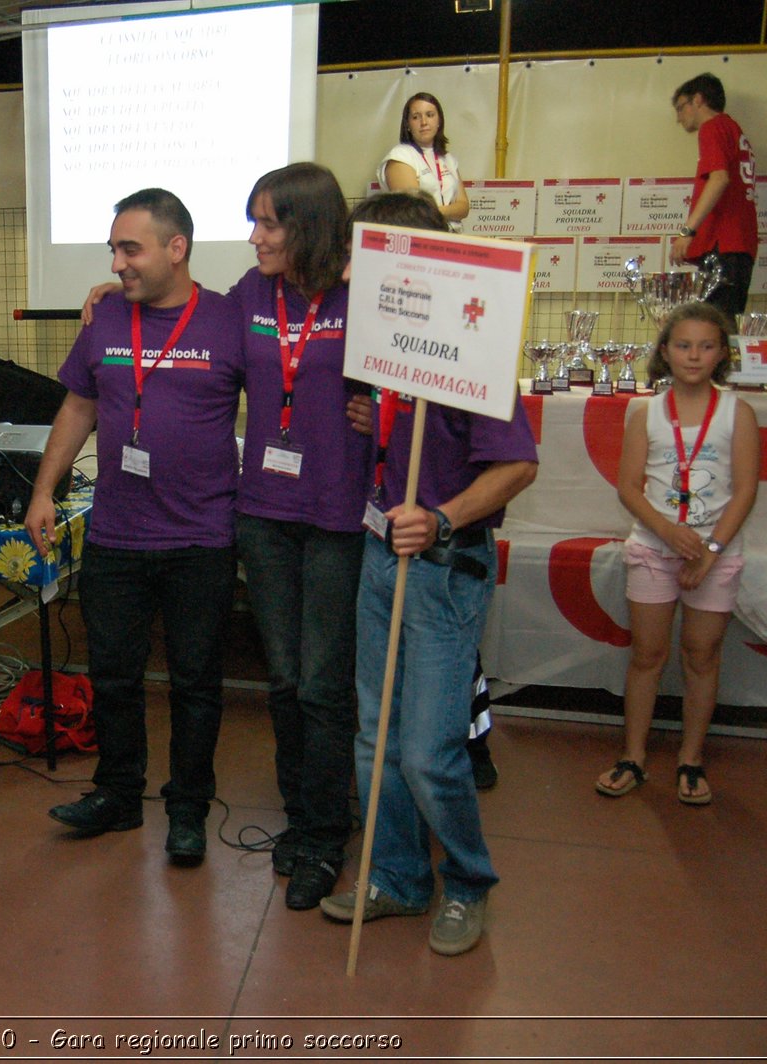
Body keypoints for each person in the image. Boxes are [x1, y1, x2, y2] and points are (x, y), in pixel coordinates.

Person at [319, 192, 537, 957]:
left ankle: (469, 883)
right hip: (381, 556)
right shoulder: (386, 347)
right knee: (372, 737)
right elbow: (410, 434)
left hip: (445, 570)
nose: (349, 268)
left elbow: (516, 465)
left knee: (427, 751)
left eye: (362, 253)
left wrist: (442, 516)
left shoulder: (470, 348)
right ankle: (401, 880)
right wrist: (378, 428)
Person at [29, 188, 246, 864]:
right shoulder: (103, 319)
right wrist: (44, 490)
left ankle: (187, 807)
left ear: (176, 248)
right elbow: (76, 408)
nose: (118, 262)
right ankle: (119, 795)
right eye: (113, 249)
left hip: (201, 538)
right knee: (115, 676)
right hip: (117, 534)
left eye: (131, 248)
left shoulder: (228, 320)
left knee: (195, 683)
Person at [230, 163, 368, 910]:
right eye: (254, 222)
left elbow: (419, 383)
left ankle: (324, 833)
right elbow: (184, 318)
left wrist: (387, 416)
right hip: (264, 511)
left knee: (322, 683)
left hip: (338, 515)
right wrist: (105, 298)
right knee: (283, 680)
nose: (256, 237)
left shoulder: (364, 296)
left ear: (309, 226)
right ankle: (302, 815)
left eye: (270, 223)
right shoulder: (253, 295)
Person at [595, 302, 758, 806]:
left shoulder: (738, 412)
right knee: (647, 655)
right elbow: (629, 487)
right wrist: (668, 533)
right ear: (665, 352)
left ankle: (690, 759)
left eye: (706, 346)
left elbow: (746, 490)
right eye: (683, 345)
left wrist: (709, 550)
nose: (694, 355)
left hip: (714, 552)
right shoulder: (646, 412)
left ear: (722, 354)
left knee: (701, 655)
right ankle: (633, 757)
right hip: (654, 547)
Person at [667, 73, 758, 320]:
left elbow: (719, 179)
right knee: (724, 325)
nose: (678, 118)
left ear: (698, 99)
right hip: (738, 245)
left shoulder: (712, 128)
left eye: (680, 108)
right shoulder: (733, 129)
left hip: (724, 243)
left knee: (716, 329)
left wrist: (687, 232)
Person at [377, 92, 470, 230]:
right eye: (416, 117)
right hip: (420, 241)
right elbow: (414, 213)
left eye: (430, 115)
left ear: (439, 121)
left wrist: (435, 211)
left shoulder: (448, 158)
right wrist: (449, 211)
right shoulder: (401, 156)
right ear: (407, 124)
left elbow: (464, 208)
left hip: (451, 238)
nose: (424, 122)